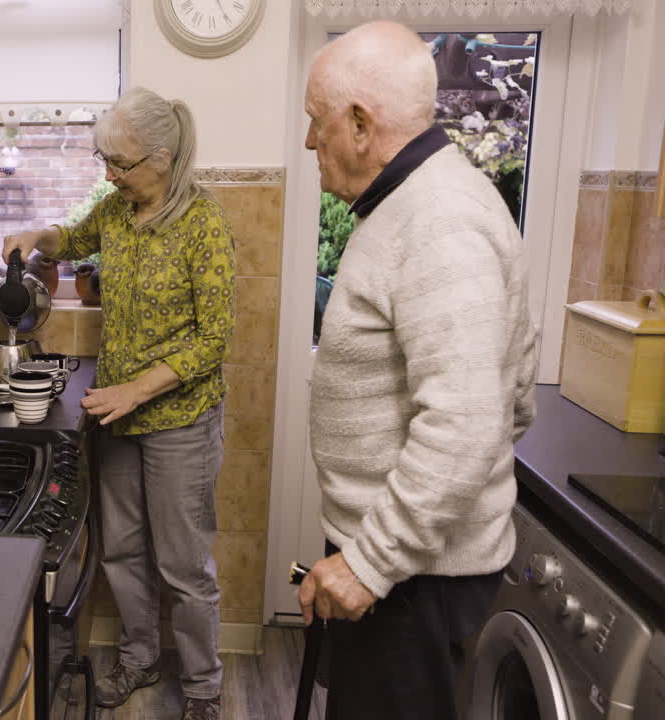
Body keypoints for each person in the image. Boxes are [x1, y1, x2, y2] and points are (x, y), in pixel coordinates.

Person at [297, 21, 538, 720]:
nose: (311, 142)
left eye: (318, 123)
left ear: (362, 124)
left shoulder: (440, 221)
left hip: (413, 584)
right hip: (401, 567)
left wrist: (374, 560)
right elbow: (508, 402)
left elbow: (467, 425)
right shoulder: (408, 205)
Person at [2, 87, 235, 720]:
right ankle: (139, 658)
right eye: (103, 160)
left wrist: (136, 388)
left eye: (120, 163)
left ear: (161, 159)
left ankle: (204, 689)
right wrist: (38, 233)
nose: (109, 173)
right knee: (124, 551)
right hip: (118, 414)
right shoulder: (117, 208)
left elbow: (212, 340)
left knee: (184, 565)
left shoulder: (201, 223)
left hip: (179, 421)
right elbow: (71, 239)